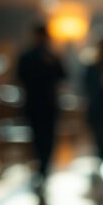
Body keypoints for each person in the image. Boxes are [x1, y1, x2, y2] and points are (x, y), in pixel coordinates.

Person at [16, 24, 66, 188]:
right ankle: (40, 168)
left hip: (47, 105)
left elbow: (63, 75)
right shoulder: (28, 56)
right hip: (36, 104)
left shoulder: (51, 56)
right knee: (38, 138)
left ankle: (43, 169)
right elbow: (20, 76)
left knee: (47, 139)